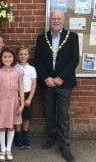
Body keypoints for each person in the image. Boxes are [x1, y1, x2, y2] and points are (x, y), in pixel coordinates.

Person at [35, 10, 79, 162]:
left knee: (63, 114)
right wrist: (47, 77)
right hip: (47, 82)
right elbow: (38, 60)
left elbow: (74, 60)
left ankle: (64, 145)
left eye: (59, 19)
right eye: (54, 18)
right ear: (50, 20)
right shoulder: (42, 38)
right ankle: (51, 136)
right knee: (49, 111)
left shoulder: (72, 37)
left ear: (64, 20)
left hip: (64, 83)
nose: (56, 21)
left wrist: (60, 78)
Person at [0, 47, 24, 161]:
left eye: (9, 56)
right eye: (5, 56)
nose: (7, 59)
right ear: (1, 58)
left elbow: (21, 87)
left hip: (14, 102)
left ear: (13, 58)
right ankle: (3, 149)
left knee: (11, 126)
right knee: (1, 126)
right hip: (1, 102)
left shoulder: (18, 71)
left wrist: (22, 104)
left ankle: (9, 149)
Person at [15, 44, 37, 149]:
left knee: (26, 117)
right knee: (18, 117)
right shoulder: (14, 68)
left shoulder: (32, 69)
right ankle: (18, 136)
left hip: (28, 95)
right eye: (20, 54)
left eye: (25, 54)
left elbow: (34, 84)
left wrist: (29, 98)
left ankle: (25, 136)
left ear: (28, 56)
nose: (23, 56)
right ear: (17, 55)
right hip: (17, 95)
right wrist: (17, 97)